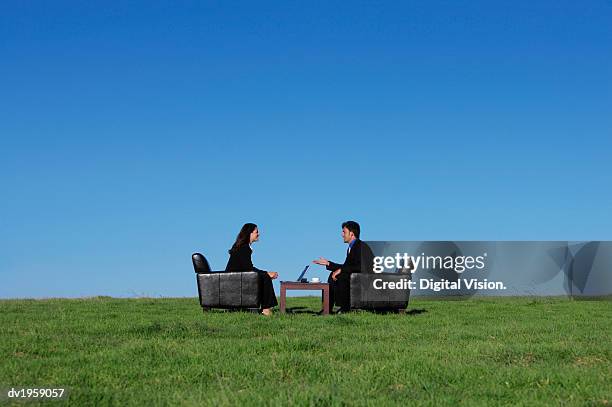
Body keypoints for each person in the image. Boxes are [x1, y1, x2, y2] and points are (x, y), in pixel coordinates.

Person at [313, 221, 374, 313]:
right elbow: (347, 266)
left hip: (366, 279)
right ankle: (327, 309)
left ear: (352, 234)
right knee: (333, 275)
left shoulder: (360, 246)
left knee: (341, 276)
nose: (342, 235)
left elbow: (360, 266)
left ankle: (345, 309)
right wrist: (328, 263)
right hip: (357, 276)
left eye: (344, 232)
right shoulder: (352, 247)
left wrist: (341, 270)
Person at [225, 223, 279, 316]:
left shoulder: (243, 247)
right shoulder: (244, 248)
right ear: (249, 234)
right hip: (235, 280)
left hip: (238, 277)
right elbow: (249, 268)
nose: (258, 234)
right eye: (256, 232)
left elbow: (248, 267)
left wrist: (265, 273)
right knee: (265, 277)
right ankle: (266, 309)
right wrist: (266, 273)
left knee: (264, 276)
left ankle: (266, 308)